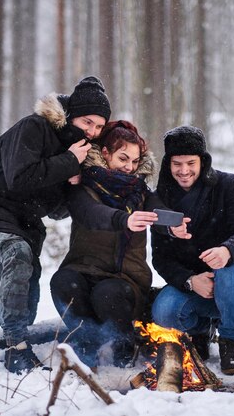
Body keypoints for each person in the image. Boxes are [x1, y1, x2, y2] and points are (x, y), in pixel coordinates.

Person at [0, 76, 111, 374]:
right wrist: (67, 162)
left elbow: (54, 211)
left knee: (24, 311)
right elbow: (20, 178)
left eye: (99, 127)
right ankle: (17, 349)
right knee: (16, 252)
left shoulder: (76, 151)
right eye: (87, 122)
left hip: (22, 222)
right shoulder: (34, 127)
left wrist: (74, 187)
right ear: (71, 115)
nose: (92, 131)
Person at [50, 120, 190, 369]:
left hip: (125, 281)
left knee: (108, 293)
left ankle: (123, 347)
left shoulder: (140, 192)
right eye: (123, 158)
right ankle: (86, 344)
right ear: (106, 153)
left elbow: (158, 213)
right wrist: (124, 219)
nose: (129, 167)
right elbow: (90, 213)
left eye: (135, 162)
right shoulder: (82, 186)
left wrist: (172, 226)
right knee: (62, 282)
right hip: (83, 271)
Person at [150, 125, 234, 375]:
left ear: (203, 160)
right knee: (163, 310)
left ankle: (230, 342)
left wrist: (227, 250)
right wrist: (190, 281)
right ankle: (200, 331)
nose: (184, 170)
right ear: (168, 164)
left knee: (228, 269)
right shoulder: (159, 199)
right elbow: (159, 258)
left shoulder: (227, 185)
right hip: (195, 284)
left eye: (191, 162)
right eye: (177, 163)